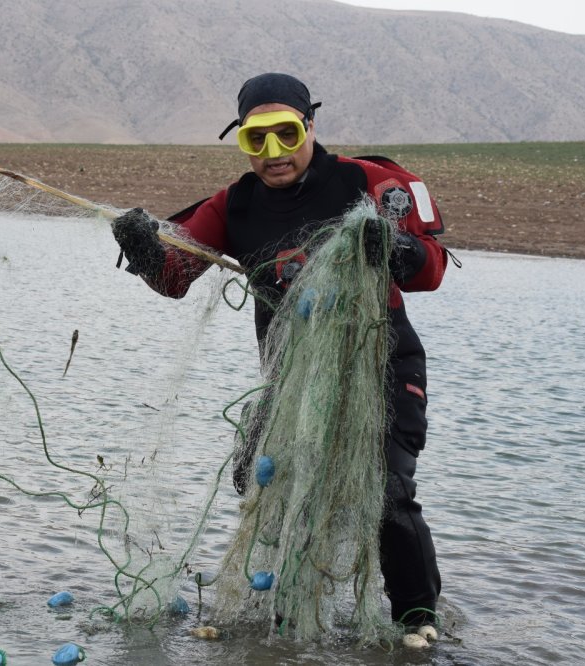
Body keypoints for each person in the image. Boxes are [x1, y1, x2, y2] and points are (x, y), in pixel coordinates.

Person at [111, 72, 447, 631]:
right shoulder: (233, 207)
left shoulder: (367, 182)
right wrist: (145, 249)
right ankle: (292, 614)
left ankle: (419, 623)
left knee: (387, 490)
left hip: (383, 364)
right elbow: (175, 277)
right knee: (263, 482)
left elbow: (431, 270)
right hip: (291, 381)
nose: (274, 154)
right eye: (256, 140)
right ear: (242, 141)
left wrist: (396, 247)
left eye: (287, 134)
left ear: (310, 125)